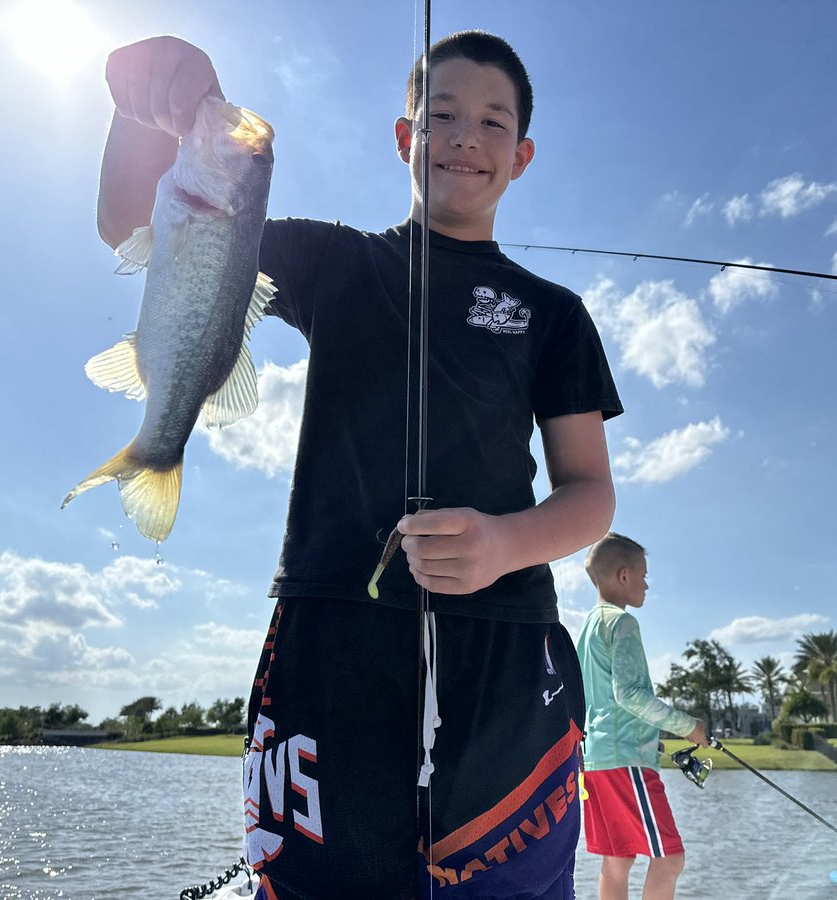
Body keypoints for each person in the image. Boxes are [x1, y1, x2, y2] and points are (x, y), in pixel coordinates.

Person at [97, 30, 623, 900]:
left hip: (504, 661)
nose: (465, 136)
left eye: (493, 122)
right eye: (442, 114)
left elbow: (591, 495)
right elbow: (140, 227)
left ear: (522, 156)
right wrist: (142, 108)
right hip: (326, 635)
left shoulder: (554, 314)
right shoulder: (333, 261)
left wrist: (501, 543)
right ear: (403, 136)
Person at [575, 534, 709, 900]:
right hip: (626, 762)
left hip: (596, 762)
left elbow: (601, 701)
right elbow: (629, 695)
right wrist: (689, 727)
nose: (647, 584)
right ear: (623, 576)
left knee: (616, 861)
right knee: (669, 859)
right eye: (644, 575)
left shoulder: (586, 628)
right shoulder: (622, 624)